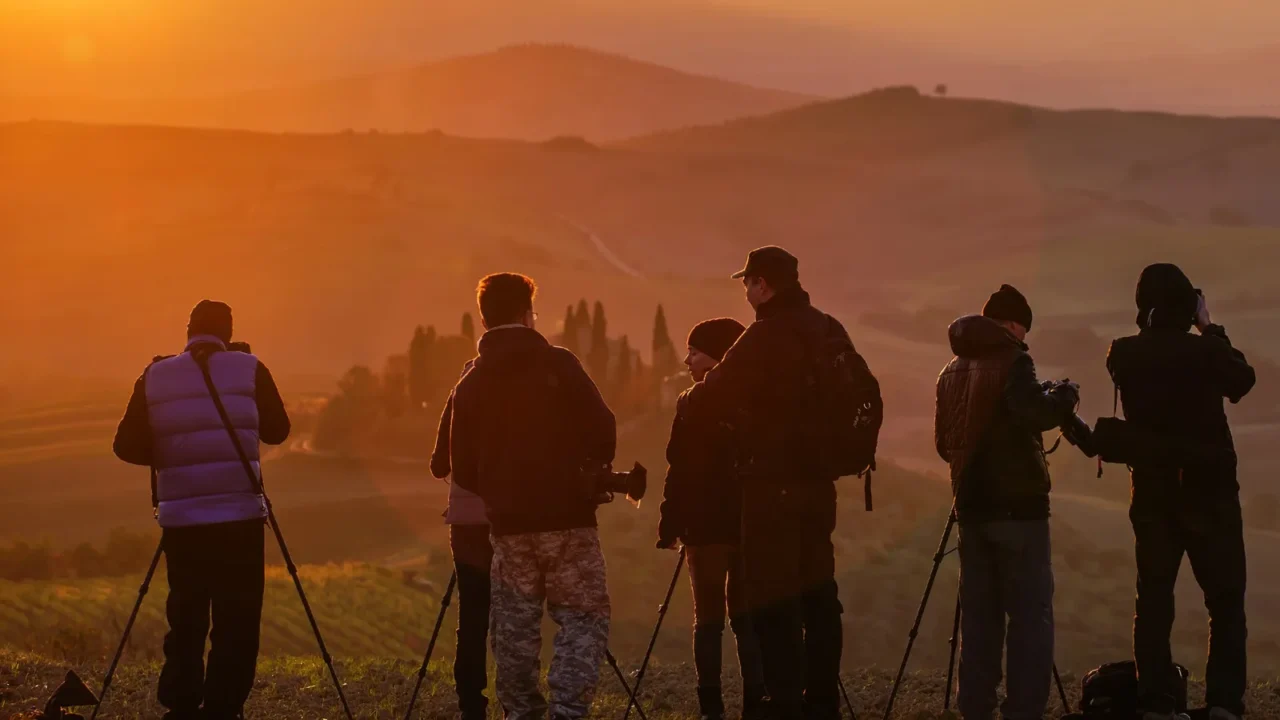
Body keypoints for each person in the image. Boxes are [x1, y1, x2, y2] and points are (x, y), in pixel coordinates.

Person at [680, 246, 856, 720]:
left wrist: (701, 395)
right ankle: (822, 703)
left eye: (747, 283)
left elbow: (712, 397)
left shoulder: (763, 336)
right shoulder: (828, 328)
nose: (745, 291)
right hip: (821, 486)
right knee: (820, 594)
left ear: (761, 285)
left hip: (769, 487)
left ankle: (781, 704)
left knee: (772, 599)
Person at [112, 300, 291, 720]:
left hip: (183, 521)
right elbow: (278, 431)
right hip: (240, 518)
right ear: (228, 334)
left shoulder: (154, 376)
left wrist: (174, 453)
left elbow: (124, 445)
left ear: (188, 332)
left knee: (187, 613)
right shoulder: (250, 368)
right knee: (238, 617)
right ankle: (224, 707)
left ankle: (181, 702)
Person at [449, 273, 616, 720]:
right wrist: (585, 475)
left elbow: (460, 464)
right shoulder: (560, 365)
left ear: (484, 320)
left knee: (514, 631)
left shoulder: (471, 383)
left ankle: (522, 712)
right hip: (570, 520)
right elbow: (603, 427)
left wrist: (500, 493)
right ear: (528, 314)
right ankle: (567, 708)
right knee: (583, 617)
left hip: (508, 527)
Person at [1107, 264, 1256, 720]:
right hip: (1209, 492)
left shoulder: (1123, 354)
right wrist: (1209, 325)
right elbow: (1242, 381)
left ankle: (1156, 701)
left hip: (1151, 492)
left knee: (1153, 598)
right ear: (1187, 305)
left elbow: (1145, 348)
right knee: (1225, 600)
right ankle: (1224, 704)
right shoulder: (1205, 352)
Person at [934, 285, 1080, 720]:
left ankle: (974, 709)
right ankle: (1023, 711)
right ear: (1015, 326)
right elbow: (1036, 413)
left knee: (979, 619)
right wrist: (1067, 394)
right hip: (1020, 511)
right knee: (1030, 618)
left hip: (970, 510)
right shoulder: (1016, 361)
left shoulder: (950, 371)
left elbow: (945, 444)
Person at [657, 317, 767, 720]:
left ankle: (711, 706)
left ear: (717, 356)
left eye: (695, 351)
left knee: (708, 619)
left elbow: (678, 468)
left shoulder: (692, 403)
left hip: (703, 528)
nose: (687, 360)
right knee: (746, 616)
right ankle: (758, 700)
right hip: (748, 524)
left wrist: (670, 524)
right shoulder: (759, 402)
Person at [429, 363, 492, 720]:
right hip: (514, 519)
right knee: (516, 611)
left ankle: (471, 701)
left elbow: (439, 464)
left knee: (472, 611)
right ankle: (517, 696)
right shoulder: (521, 388)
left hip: (467, 523)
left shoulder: (460, 390)